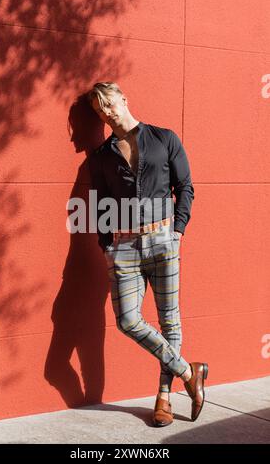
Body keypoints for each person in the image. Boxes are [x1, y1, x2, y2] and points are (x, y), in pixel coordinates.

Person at [86, 82, 208, 427]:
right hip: (124, 247)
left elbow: (185, 187)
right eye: (98, 110)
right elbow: (100, 202)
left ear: (123, 99)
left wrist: (179, 230)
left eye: (108, 103)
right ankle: (189, 370)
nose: (105, 112)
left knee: (170, 320)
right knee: (128, 320)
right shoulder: (102, 156)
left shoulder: (164, 138)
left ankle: (164, 397)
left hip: (164, 240)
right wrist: (107, 244)